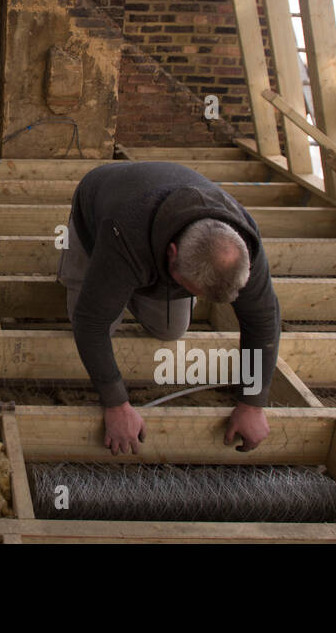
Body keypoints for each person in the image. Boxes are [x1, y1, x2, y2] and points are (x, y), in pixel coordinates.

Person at [58, 161, 281, 455]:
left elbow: (262, 320)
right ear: (173, 254)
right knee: (95, 321)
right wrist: (116, 404)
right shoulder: (124, 228)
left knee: (170, 330)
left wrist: (253, 402)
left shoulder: (241, 244)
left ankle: (124, 284)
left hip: (154, 231)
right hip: (99, 211)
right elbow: (91, 324)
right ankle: (115, 283)